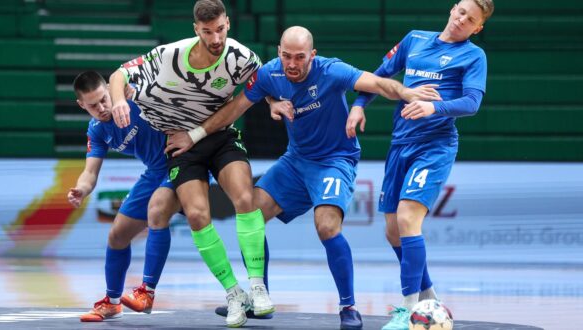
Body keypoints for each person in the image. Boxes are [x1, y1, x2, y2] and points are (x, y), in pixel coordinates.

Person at [165, 25, 440, 330]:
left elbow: (376, 82)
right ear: (279, 52)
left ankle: (348, 306)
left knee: (326, 226)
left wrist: (405, 92)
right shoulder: (271, 73)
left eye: (299, 57)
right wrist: (195, 135)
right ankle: (260, 299)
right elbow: (235, 108)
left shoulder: (332, 71)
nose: (292, 64)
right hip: (296, 162)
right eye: (286, 56)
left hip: (335, 160)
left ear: (313, 55)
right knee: (251, 212)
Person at [108, 0, 273, 327]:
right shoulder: (168, 56)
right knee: (197, 214)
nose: (216, 39)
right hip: (180, 146)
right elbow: (118, 74)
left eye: (221, 29)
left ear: (228, 22)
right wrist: (117, 103)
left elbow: (265, 81)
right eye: (208, 32)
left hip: (220, 135)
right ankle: (233, 292)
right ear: (196, 30)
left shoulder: (240, 56)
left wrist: (275, 102)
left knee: (245, 198)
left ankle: (258, 287)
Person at [347, 1, 495, 329]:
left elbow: (472, 103)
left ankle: (409, 311)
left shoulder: (473, 56)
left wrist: (432, 107)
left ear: (477, 28)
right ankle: (429, 298)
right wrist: (359, 105)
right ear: (452, 8)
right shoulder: (414, 39)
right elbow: (379, 77)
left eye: (470, 19)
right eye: (460, 11)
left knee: (407, 218)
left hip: (435, 146)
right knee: (392, 231)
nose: (461, 20)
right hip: (401, 143)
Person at [69, 71, 181, 322]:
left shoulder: (133, 96)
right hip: (155, 171)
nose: (101, 108)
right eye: (92, 105)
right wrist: (81, 190)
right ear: (81, 105)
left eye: (103, 99)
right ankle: (112, 302)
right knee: (117, 235)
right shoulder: (97, 130)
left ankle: (146, 292)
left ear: (110, 89)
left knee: (157, 211)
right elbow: (89, 172)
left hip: (183, 160)